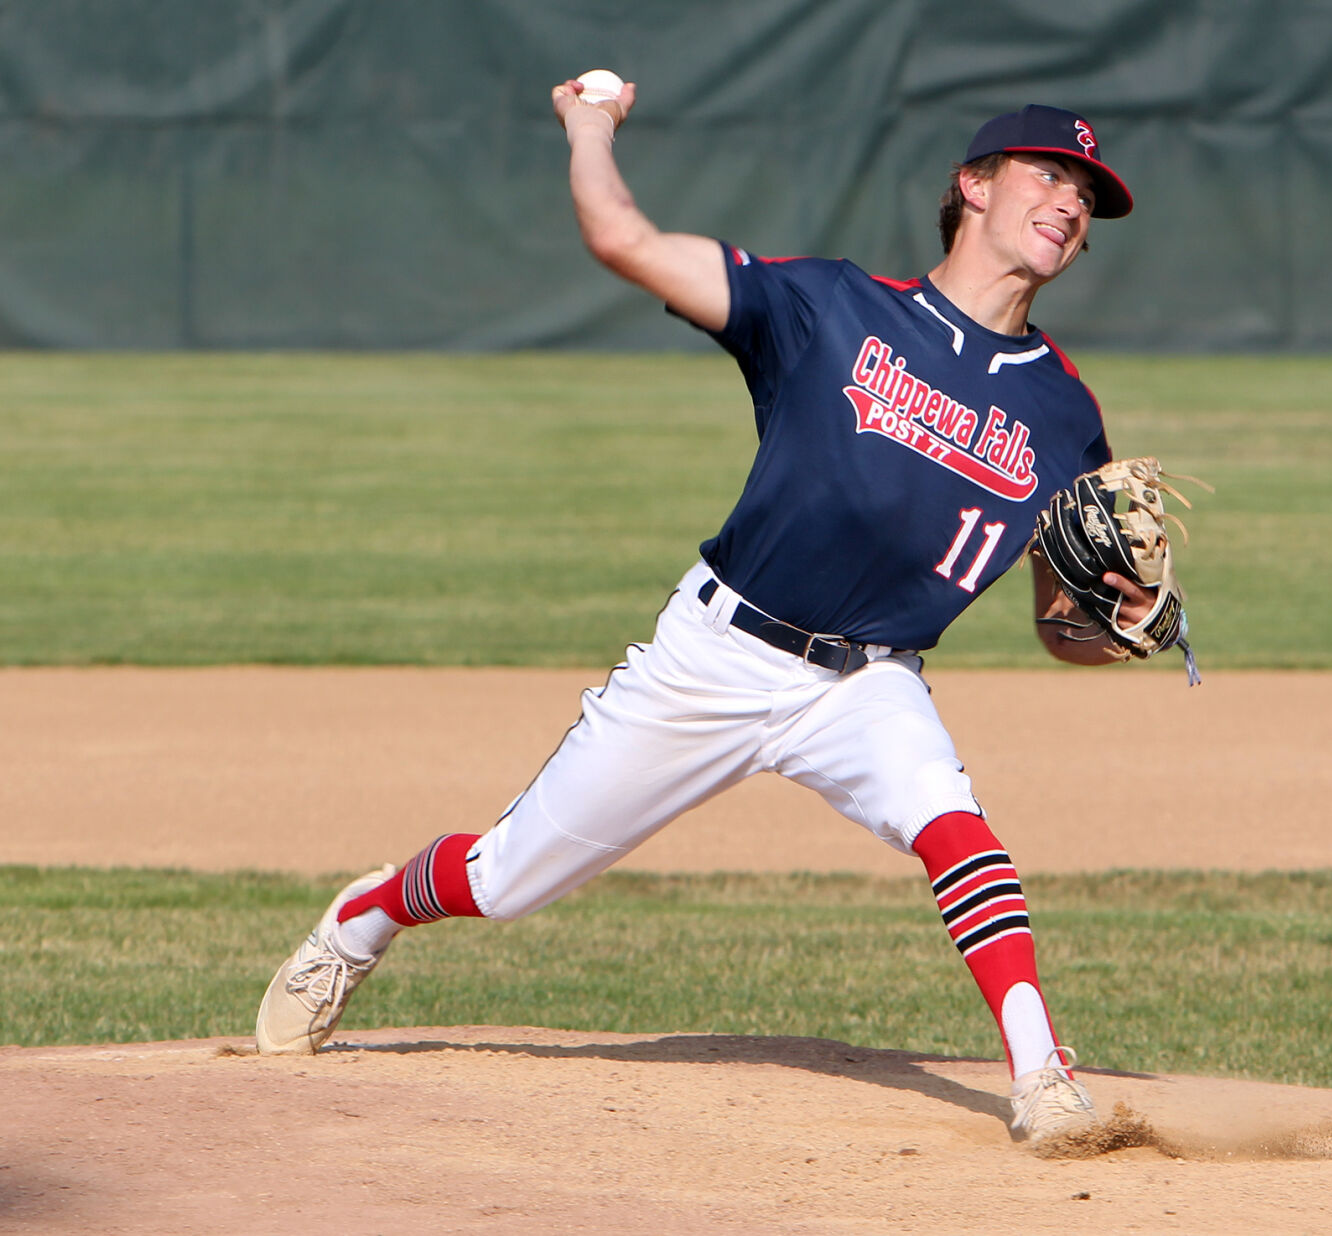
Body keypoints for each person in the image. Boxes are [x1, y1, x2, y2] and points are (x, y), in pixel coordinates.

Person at [255, 81, 1153, 1148]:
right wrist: (590, 126)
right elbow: (620, 237)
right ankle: (365, 917)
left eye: (1087, 193)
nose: (1070, 202)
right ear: (973, 184)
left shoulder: (1065, 412)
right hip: (717, 655)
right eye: (1049, 173)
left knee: (957, 828)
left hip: (871, 683)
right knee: (505, 880)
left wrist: (1118, 624)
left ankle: (1042, 1077)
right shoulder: (829, 308)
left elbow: (1064, 629)